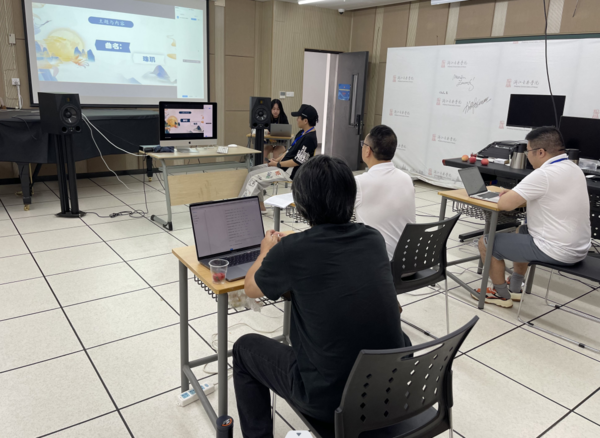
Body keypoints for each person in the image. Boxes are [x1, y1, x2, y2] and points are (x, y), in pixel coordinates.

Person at [233, 155, 409, 437]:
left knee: (245, 349)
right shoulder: (373, 238)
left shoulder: (292, 250)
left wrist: (266, 250)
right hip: (389, 388)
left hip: (330, 402)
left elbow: (251, 288)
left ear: (301, 203)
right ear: (351, 198)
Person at [473, 126, 591, 308]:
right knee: (522, 230)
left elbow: (504, 205)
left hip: (558, 250)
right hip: (579, 248)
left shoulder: (544, 174)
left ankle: (500, 294)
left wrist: (510, 196)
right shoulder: (573, 168)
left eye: (528, 151)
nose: (527, 156)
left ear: (541, 152)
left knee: (486, 242)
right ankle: (515, 287)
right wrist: (518, 194)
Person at [238, 104, 319, 212]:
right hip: (282, 166)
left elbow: (297, 161)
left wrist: (277, 164)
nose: (297, 120)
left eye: (299, 117)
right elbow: (289, 151)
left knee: (253, 177)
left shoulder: (309, 139)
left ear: (305, 121)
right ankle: (260, 206)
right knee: (253, 170)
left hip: (289, 172)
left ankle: (239, 209)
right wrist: (276, 160)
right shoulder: (302, 133)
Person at [355, 125, 416, 260]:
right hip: (409, 262)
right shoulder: (406, 179)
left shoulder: (359, 183)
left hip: (380, 265)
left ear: (368, 151)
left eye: (363, 144)